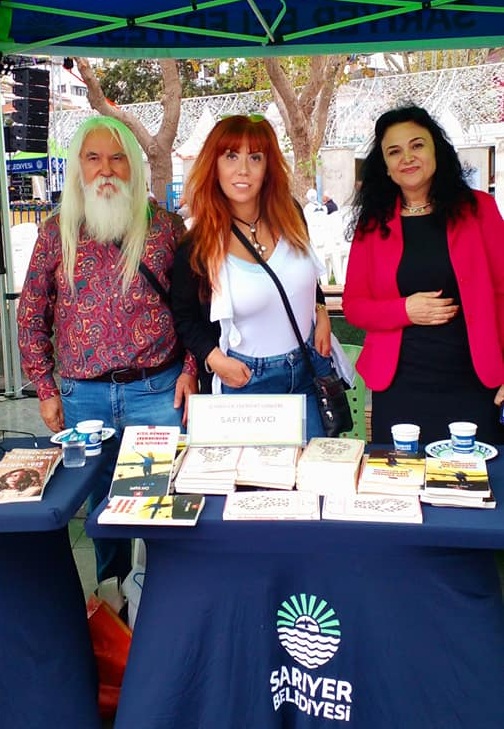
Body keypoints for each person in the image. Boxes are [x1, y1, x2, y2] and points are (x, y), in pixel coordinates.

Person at [17, 116, 198, 584]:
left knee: (159, 505)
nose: (106, 169)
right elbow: (32, 313)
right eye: (94, 158)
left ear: (133, 166)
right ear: (79, 165)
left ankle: (161, 598)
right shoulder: (55, 232)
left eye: (118, 158)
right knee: (102, 510)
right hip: (84, 399)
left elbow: (196, 307)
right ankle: (113, 599)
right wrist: (45, 389)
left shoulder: (164, 228)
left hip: (157, 392)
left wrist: (190, 370)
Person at [342, 104, 504, 445]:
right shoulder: (372, 225)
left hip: (474, 382)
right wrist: (404, 310)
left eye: (417, 145)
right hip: (400, 385)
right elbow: (354, 306)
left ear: (436, 151)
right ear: (386, 167)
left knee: (474, 472)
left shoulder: (480, 210)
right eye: (394, 151)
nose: (407, 158)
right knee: (403, 471)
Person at [170, 114, 334, 440]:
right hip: (245, 379)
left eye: (255, 157)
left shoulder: (290, 214)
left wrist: (321, 310)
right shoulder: (199, 243)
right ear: (214, 165)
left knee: (314, 467)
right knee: (253, 473)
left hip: (307, 366)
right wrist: (214, 359)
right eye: (231, 156)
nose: (243, 169)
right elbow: (183, 315)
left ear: (268, 166)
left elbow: (303, 276)